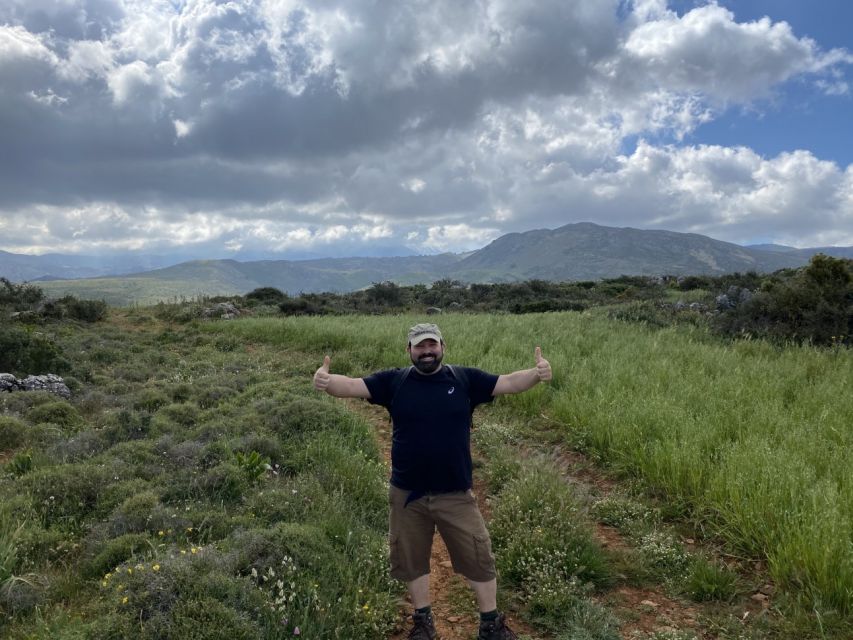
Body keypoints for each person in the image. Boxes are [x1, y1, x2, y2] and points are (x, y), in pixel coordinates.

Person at [313, 322, 552, 640]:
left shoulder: (464, 379)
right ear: (409, 350)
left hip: (455, 493)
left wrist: (536, 373)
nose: (426, 351)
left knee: (480, 557)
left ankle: (490, 624)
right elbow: (353, 385)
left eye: (432, 345)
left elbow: (508, 382)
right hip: (407, 493)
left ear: (442, 346)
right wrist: (327, 382)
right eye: (419, 346)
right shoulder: (394, 382)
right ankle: (423, 621)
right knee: (411, 559)